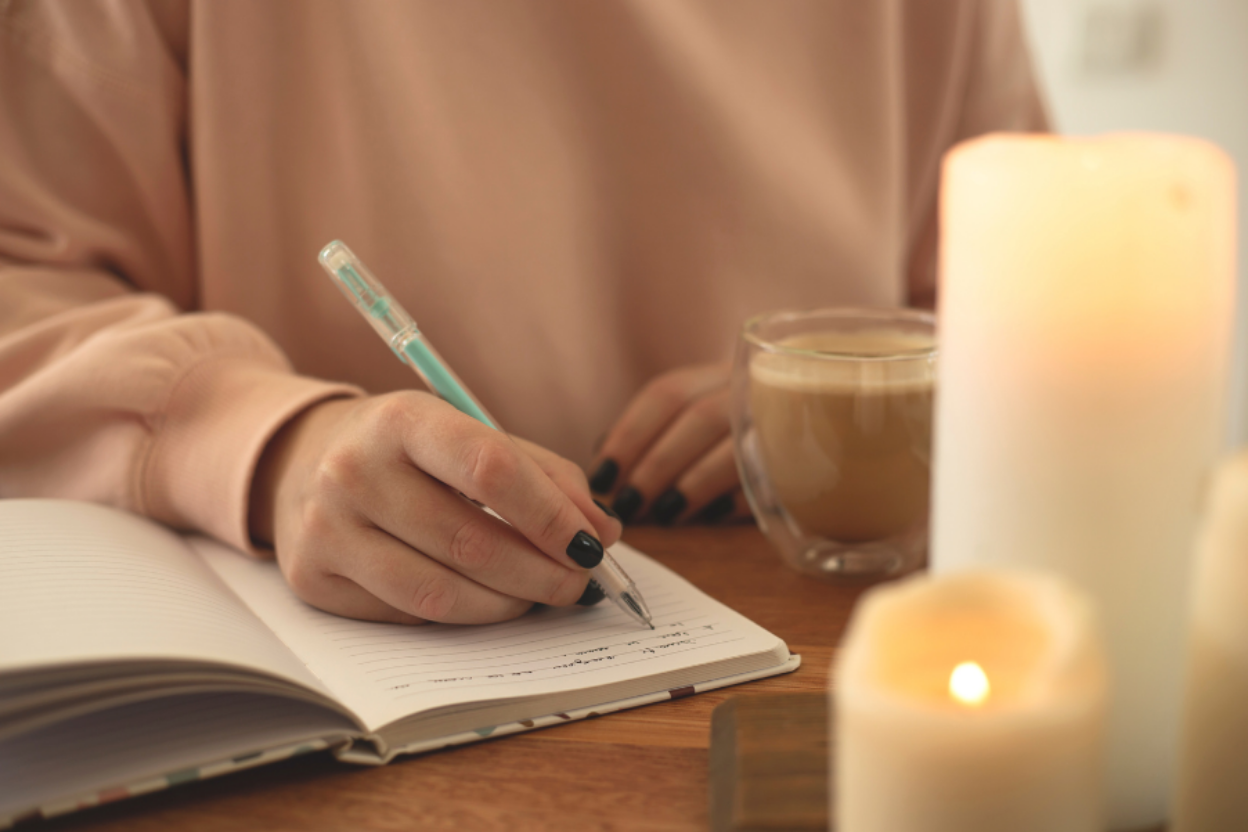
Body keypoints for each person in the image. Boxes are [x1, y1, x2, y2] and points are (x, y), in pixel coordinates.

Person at [0, 0, 1047, 625]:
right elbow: (27, 284)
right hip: (324, 667)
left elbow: (1038, 295)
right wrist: (270, 442)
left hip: (834, 626)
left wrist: (843, 400)